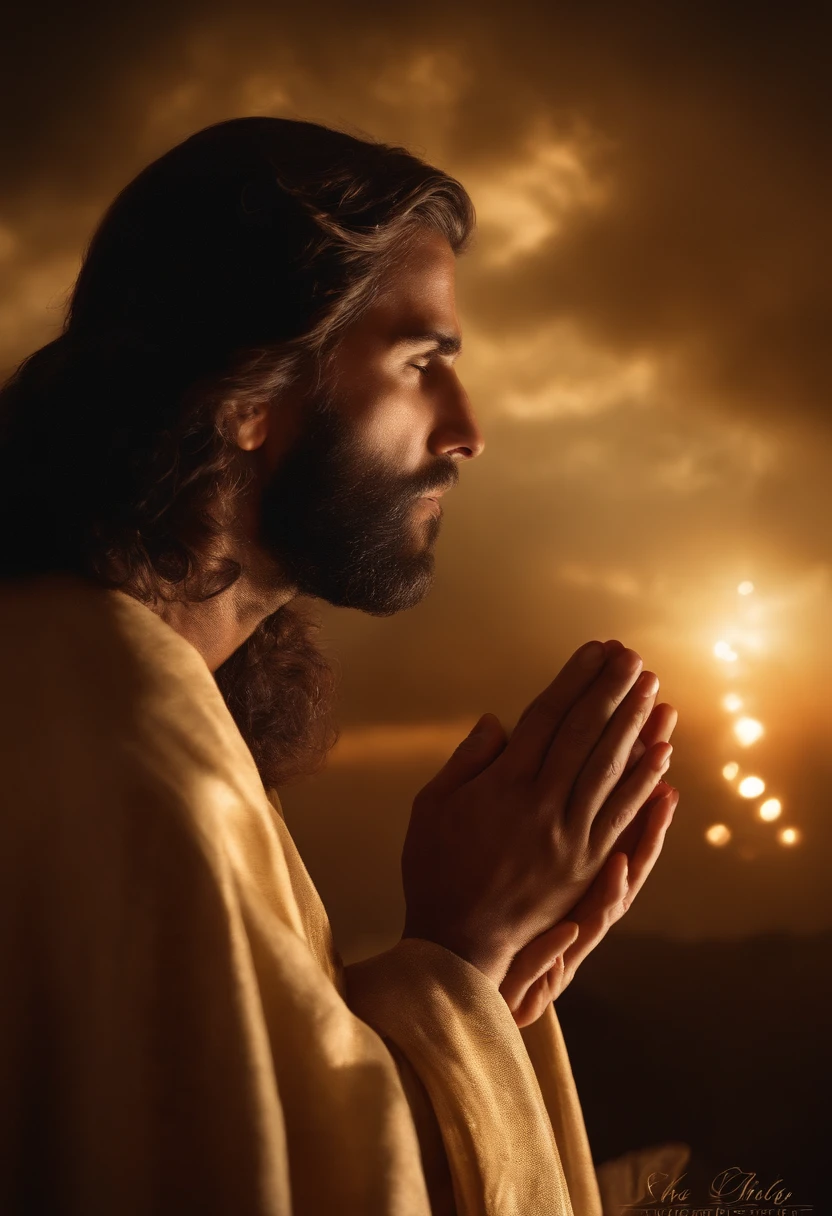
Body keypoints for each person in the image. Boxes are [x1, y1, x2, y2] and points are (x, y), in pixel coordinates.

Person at [0, 116, 679, 1215]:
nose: (465, 429)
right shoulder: (123, 734)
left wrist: (485, 972)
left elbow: (249, 1107)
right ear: (246, 392)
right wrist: (458, 951)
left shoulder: (114, 689)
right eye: (421, 363)